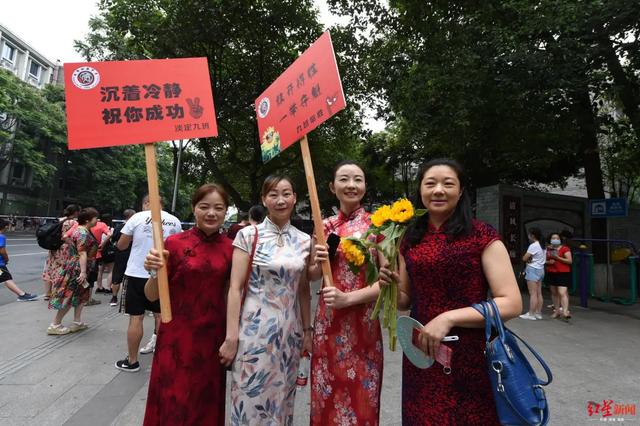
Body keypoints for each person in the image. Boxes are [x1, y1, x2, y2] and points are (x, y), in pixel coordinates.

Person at [378, 158, 522, 425]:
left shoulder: (481, 236)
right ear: (420, 190)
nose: (438, 190)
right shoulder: (409, 238)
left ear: (461, 190)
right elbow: (404, 300)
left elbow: (512, 303)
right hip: (422, 356)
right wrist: (389, 284)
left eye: (448, 184)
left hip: (471, 358)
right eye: (430, 183)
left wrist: (448, 318)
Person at [219, 175, 314, 425]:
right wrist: (231, 337)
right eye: (273, 194)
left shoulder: (305, 241)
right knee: (248, 398)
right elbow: (235, 288)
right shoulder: (248, 236)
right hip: (253, 333)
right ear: (264, 199)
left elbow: (303, 289)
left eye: (286, 193)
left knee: (281, 404)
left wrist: (307, 330)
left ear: (295, 198)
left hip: (289, 335)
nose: (280, 200)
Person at [142, 184, 233, 425]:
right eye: (204, 207)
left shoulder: (232, 249)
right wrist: (154, 271)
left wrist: (233, 337)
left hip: (213, 337)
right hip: (176, 335)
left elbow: (231, 294)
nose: (211, 213)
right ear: (194, 209)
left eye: (218, 208)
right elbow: (151, 296)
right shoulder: (173, 244)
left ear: (226, 212)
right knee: (173, 398)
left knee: (204, 401)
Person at [308, 160, 384, 425]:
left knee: (362, 398)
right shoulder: (322, 226)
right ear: (332, 186)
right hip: (327, 326)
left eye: (357, 179)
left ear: (364, 187)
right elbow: (313, 275)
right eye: (344, 179)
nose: (351, 185)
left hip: (363, 326)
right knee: (325, 396)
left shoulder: (380, 227)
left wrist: (347, 298)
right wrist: (317, 260)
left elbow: (388, 283)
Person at [114, 196, 182, 372]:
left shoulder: (137, 218)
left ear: (146, 203)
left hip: (136, 273)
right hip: (161, 274)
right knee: (161, 316)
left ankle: (132, 360)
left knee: (136, 318)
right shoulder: (174, 221)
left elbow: (121, 245)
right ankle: (161, 358)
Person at [47, 208, 100, 335]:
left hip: (79, 266)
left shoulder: (80, 229)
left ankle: (77, 322)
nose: (97, 220)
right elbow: (82, 253)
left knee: (80, 296)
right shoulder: (82, 232)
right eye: (95, 218)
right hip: (78, 268)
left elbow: (65, 237)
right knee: (70, 296)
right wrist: (82, 272)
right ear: (88, 220)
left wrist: (73, 246)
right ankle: (55, 324)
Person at [42, 205, 80, 300]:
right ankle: (56, 293)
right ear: (75, 212)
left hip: (54, 246)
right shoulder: (73, 222)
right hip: (65, 248)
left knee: (50, 268)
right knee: (62, 269)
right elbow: (72, 236)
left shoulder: (59, 220)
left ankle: (47, 294)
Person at [0, 219, 38, 301]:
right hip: (0, 264)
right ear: (4, 227)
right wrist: (6, 259)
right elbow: (2, 251)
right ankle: (22, 295)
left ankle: (22, 294)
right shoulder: (1, 236)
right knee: (7, 277)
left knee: (6, 277)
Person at [109, 209, 136, 307]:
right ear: (132, 216)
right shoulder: (134, 227)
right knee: (130, 277)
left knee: (117, 275)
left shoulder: (119, 227)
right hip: (132, 253)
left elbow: (114, 239)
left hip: (120, 254)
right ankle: (127, 299)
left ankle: (114, 297)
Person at [520, 227, 546, 320]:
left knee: (533, 294)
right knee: (539, 293)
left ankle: (531, 314)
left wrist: (528, 259)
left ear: (532, 235)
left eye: (529, 234)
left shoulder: (533, 245)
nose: (528, 236)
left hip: (532, 269)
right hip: (541, 270)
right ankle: (538, 313)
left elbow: (524, 258)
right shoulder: (543, 245)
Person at [546, 232, 573, 321]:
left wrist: (558, 258)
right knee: (554, 293)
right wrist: (548, 262)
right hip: (552, 272)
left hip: (563, 273)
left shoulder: (565, 249)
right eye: (553, 238)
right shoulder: (548, 249)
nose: (555, 240)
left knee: (562, 292)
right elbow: (543, 260)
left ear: (560, 239)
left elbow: (569, 261)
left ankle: (565, 311)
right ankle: (557, 311)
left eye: (557, 238)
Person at [94, 213, 114, 295]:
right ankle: (109, 288)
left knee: (100, 270)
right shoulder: (111, 229)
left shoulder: (96, 228)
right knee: (111, 270)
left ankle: (99, 287)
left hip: (99, 251)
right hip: (108, 252)